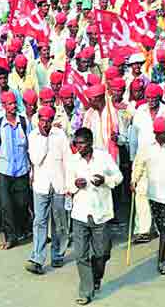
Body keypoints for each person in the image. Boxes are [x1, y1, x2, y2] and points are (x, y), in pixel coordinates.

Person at [68, 127, 123, 305]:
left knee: (102, 253)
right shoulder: (73, 160)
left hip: (101, 213)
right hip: (80, 214)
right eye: (76, 144)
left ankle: (96, 277)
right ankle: (86, 291)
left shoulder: (103, 157)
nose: (79, 147)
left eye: (82, 143)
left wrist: (105, 180)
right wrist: (75, 184)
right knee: (80, 255)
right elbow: (67, 185)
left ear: (90, 143)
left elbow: (119, 177)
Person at [26, 105, 70, 275]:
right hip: (41, 185)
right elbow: (35, 159)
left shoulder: (60, 135)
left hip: (59, 184)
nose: (45, 124)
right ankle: (37, 258)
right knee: (40, 221)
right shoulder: (34, 136)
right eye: (42, 120)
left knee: (59, 222)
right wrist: (44, 138)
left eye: (48, 121)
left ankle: (58, 255)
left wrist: (69, 184)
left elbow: (67, 159)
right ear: (38, 120)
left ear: (52, 121)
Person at [0, 90, 32, 249]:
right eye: (9, 104)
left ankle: (22, 229)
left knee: (22, 203)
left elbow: (30, 146)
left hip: (22, 169)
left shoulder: (24, 122)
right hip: (4, 170)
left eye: (14, 103)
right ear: (3, 106)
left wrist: (31, 170)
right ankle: (10, 237)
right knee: (6, 206)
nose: (13, 106)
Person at [130, 116, 165, 275]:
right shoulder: (147, 148)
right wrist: (134, 180)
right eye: (159, 133)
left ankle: (162, 261)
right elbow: (139, 165)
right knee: (162, 229)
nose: (161, 136)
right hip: (155, 195)